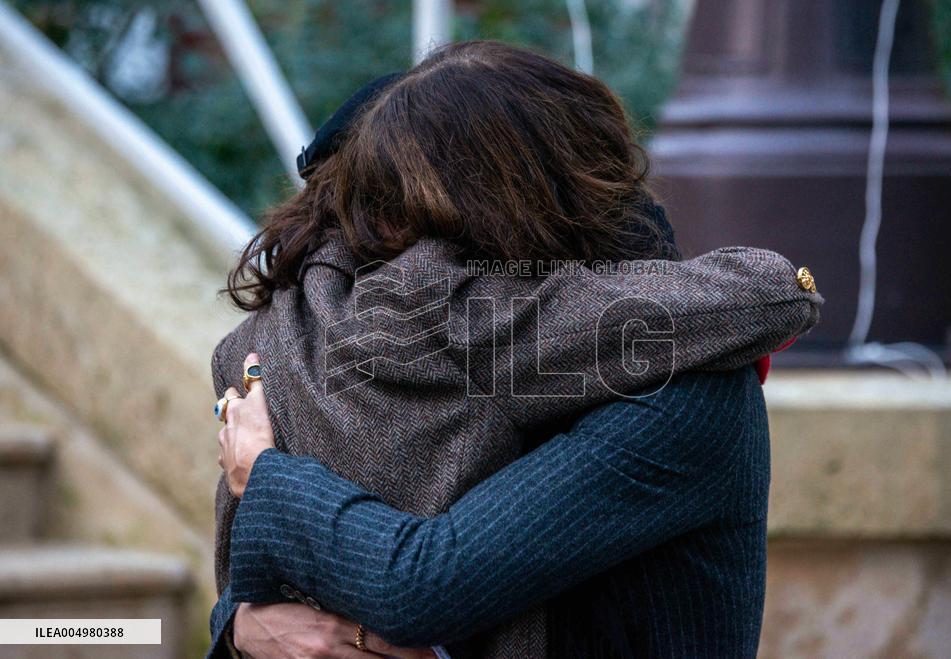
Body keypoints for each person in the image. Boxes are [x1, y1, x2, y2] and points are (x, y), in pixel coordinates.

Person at [208, 40, 821, 658]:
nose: (400, 275)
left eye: (421, 229)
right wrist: (237, 631)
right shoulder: (316, 355)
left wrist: (263, 476)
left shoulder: (684, 390)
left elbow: (423, 586)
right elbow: (256, 595)